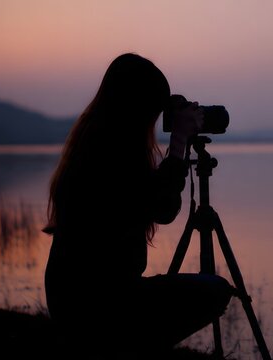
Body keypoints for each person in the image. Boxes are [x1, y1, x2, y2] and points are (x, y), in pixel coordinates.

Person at [42, 52, 233, 358]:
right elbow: (163, 207)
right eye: (154, 112)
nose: (155, 122)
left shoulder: (94, 144)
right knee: (216, 290)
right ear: (136, 108)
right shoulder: (113, 152)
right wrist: (180, 142)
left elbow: (138, 195)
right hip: (102, 306)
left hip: (71, 303)